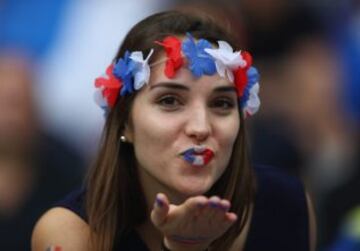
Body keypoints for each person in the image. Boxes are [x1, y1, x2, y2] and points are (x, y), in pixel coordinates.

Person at [32, 10, 316, 251]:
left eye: (221, 103)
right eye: (169, 101)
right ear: (124, 123)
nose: (200, 127)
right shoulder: (69, 233)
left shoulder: (287, 204)